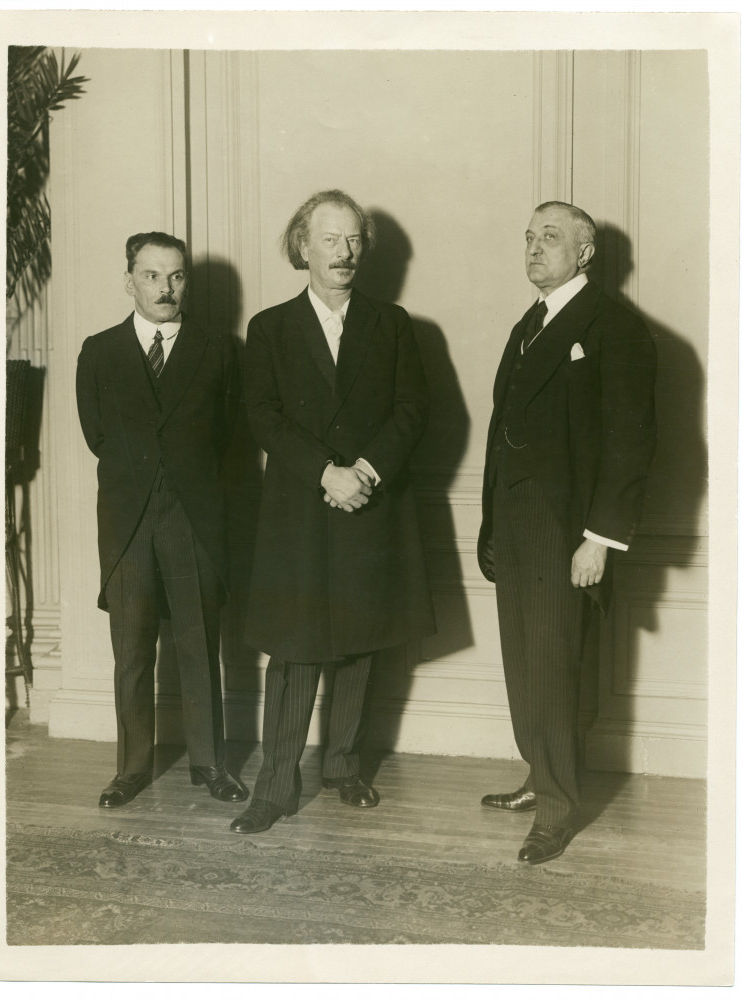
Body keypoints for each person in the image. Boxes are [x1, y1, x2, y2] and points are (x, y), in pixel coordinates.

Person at [230, 190, 436, 835]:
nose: (344, 253)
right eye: (330, 240)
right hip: (300, 509)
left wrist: (364, 473)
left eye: (353, 241)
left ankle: (343, 767)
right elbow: (262, 415)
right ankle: (275, 787)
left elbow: (412, 410)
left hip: (370, 506)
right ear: (303, 247)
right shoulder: (268, 328)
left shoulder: (394, 323)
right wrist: (326, 472)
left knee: (360, 641)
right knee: (294, 650)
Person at [477, 202, 657, 864]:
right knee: (524, 661)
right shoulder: (529, 323)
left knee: (554, 666)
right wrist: (491, 525)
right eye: (527, 237)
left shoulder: (615, 326)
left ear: (584, 253)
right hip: (517, 525)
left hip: (568, 533)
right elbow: (503, 431)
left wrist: (599, 539)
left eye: (548, 238)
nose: (532, 248)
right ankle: (538, 777)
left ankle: (556, 808)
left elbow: (631, 441)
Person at [76, 232, 247, 809]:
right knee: (131, 653)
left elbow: (225, 435)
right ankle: (130, 770)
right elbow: (99, 436)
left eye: (175, 277)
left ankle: (209, 762)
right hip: (128, 521)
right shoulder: (98, 352)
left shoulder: (218, 349)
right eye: (152, 276)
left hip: (194, 517)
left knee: (199, 644)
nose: (165, 288)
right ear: (130, 281)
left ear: (185, 283)